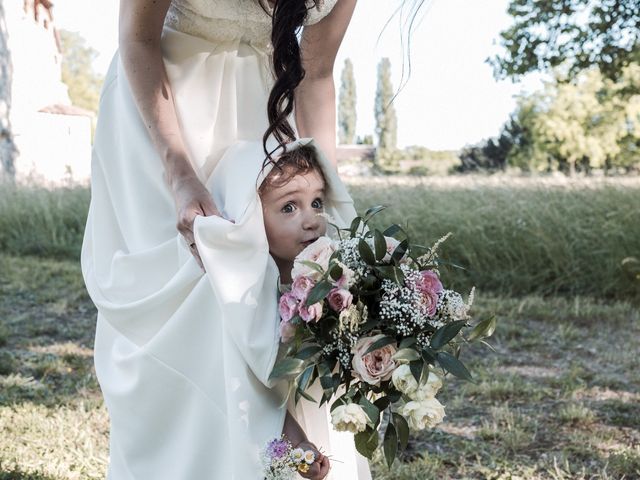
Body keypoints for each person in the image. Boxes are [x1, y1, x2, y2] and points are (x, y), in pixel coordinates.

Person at [80, 1, 364, 476]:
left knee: (288, 287)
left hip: (266, 107)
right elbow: (138, 36)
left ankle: (285, 446)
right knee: (192, 290)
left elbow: (316, 73)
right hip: (163, 106)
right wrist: (179, 171)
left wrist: (323, 189)